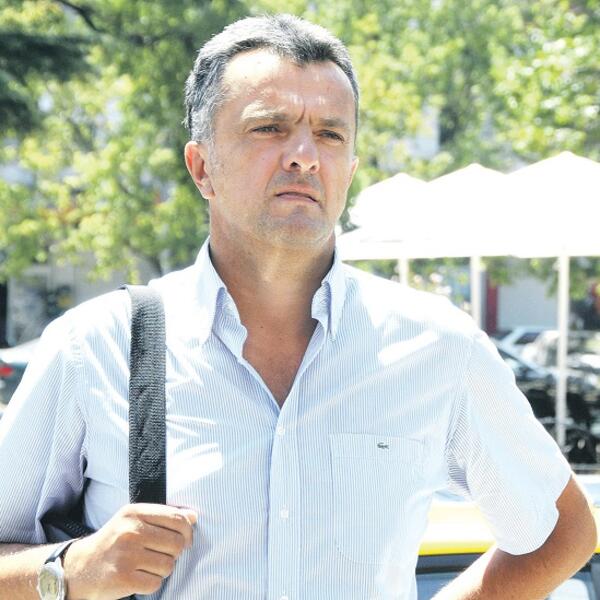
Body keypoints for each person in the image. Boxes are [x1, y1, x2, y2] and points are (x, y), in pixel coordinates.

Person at [0, 13, 596, 600]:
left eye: (331, 134)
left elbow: (562, 532)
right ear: (202, 167)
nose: (305, 155)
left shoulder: (437, 346)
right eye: (270, 127)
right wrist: (70, 571)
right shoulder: (95, 348)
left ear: (350, 171)